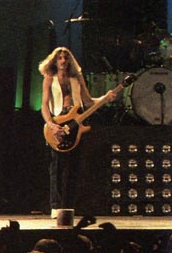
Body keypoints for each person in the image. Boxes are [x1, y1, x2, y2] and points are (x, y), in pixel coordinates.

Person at [39, 47, 117, 219]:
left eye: (65, 58)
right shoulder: (49, 79)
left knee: (74, 166)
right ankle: (56, 206)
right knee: (56, 167)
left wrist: (105, 98)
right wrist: (51, 124)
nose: (62, 61)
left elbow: (88, 102)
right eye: (59, 58)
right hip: (57, 121)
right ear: (54, 60)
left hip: (76, 121)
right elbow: (44, 104)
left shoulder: (77, 78)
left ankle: (69, 206)